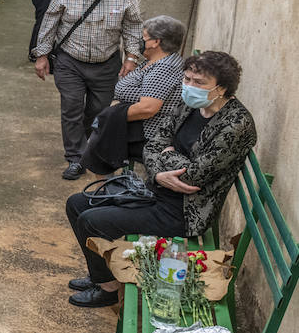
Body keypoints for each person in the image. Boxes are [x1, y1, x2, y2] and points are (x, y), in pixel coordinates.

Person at [64, 51, 256, 307]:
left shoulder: (235, 124)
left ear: (221, 88)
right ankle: (102, 276)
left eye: (199, 82)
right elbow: (155, 142)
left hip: (183, 211)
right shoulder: (191, 104)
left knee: (92, 220)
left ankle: (108, 289)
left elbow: (194, 175)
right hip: (156, 190)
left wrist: (165, 159)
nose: (188, 86)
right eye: (187, 78)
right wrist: (161, 172)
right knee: (77, 204)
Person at [33, 0, 142, 180]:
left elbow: (132, 25)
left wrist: (131, 57)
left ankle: (84, 145)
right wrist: (42, 55)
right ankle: (76, 158)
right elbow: (50, 21)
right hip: (70, 60)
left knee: (98, 111)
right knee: (71, 107)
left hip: (106, 62)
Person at [80, 15, 186, 172]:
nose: (140, 41)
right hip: (136, 125)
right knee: (99, 133)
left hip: (147, 132)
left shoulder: (164, 67)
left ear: (156, 42)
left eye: (144, 37)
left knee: (99, 138)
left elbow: (148, 108)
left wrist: (111, 116)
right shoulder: (153, 61)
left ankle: (102, 189)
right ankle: (102, 187)